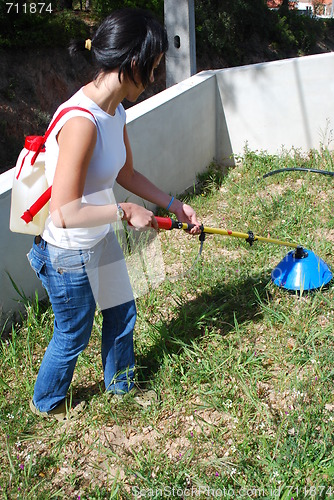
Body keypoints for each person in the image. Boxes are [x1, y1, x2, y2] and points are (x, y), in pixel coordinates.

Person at [27, 8, 200, 421]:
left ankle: (120, 388)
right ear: (133, 63)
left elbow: (127, 172)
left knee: (122, 311)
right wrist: (123, 211)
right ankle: (45, 404)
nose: (155, 78)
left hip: (99, 237)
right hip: (66, 251)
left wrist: (174, 205)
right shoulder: (82, 121)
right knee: (73, 333)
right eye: (154, 68)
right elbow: (64, 212)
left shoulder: (115, 110)